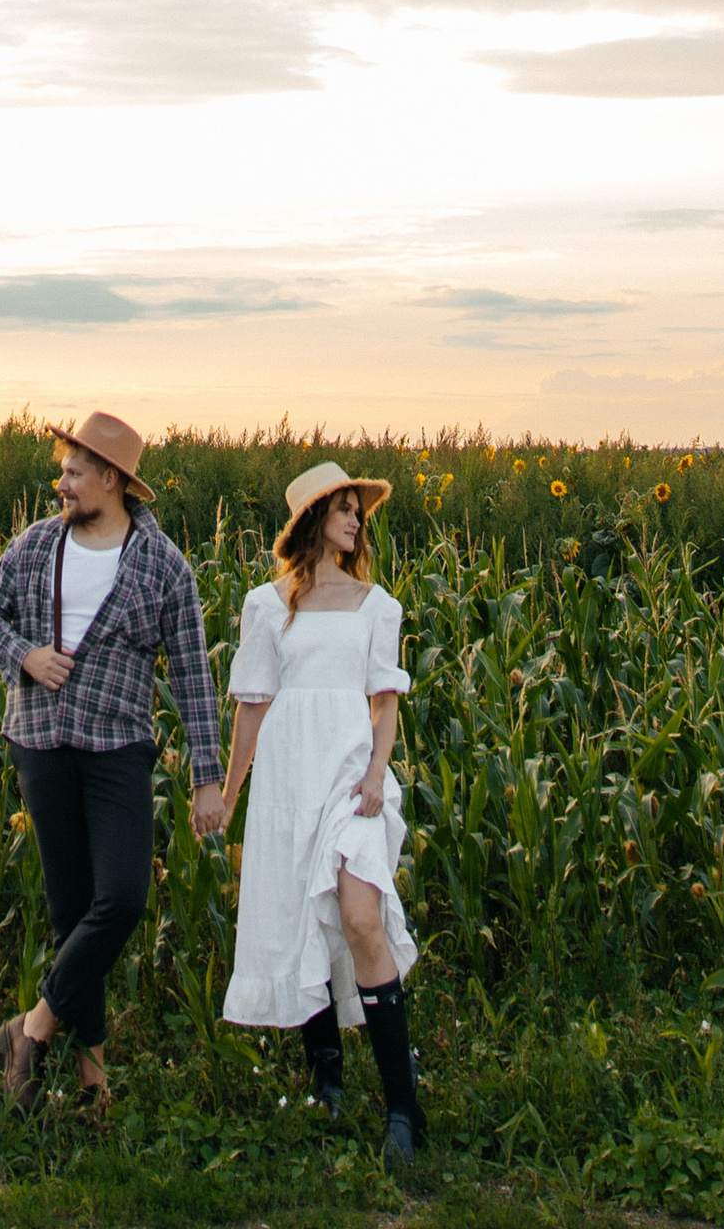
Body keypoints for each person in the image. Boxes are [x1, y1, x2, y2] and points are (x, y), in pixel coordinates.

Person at [0, 407, 228, 1115]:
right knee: (71, 913)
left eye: (74, 472)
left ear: (112, 479)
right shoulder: (37, 546)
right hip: (41, 742)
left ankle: (33, 1028)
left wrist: (209, 778)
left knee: (121, 901)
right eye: (64, 471)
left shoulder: (161, 564)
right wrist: (23, 653)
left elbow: (194, 676)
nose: (62, 483)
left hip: (118, 749)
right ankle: (93, 1086)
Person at [214, 458, 428, 1166]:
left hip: (348, 776)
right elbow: (253, 707)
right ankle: (326, 1076)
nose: (354, 518)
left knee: (362, 919)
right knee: (304, 911)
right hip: (285, 775)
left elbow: (385, 701)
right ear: (310, 521)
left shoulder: (377, 605)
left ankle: (403, 1110)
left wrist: (376, 773)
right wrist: (230, 790)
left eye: (357, 509)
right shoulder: (265, 605)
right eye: (341, 507)